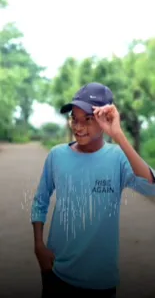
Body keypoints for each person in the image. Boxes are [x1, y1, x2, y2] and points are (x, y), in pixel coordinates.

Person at [31, 82, 155, 297]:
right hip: (57, 272)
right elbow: (40, 200)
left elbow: (150, 188)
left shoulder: (118, 158)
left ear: (104, 119)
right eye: (74, 119)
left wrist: (118, 135)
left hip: (100, 280)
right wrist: (38, 245)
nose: (78, 127)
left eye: (87, 120)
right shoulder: (57, 155)